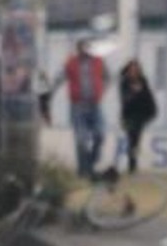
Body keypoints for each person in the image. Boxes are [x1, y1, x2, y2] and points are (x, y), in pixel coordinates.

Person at [59, 39, 109, 179]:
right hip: (78, 105)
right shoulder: (71, 63)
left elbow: (107, 77)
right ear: (78, 49)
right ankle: (83, 170)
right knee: (81, 139)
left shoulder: (99, 61)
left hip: (95, 104)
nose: (84, 50)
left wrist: (101, 91)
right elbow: (60, 77)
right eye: (82, 47)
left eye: (87, 47)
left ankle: (91, 162)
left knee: (100, 134)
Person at [118, 59, 158, 173]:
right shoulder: (124, 82)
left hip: (141, 114)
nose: (134, 72)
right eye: (132, 69)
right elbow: (124, 100)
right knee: (132, 139)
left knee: (136, 139)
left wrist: (140, 92)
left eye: (136, 69)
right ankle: (132, 165)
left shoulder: (143, 81)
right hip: (129, 114)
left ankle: (133, 165)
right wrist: (134, 93)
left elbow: (148, 97)